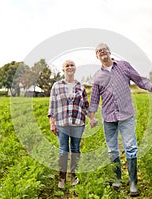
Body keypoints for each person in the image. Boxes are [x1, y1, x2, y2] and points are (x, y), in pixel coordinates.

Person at [88, 43, 152, 197]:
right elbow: (94, 98)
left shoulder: (123, 66)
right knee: (112, 149)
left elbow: (140, 80)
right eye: (98, 51)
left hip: (126, 115)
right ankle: (116, 179)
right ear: (97, 56)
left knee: (131, 147)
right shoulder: (97, 76)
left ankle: (133, 182)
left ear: (109, 52)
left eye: (104, 50)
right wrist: (92, 116)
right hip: (109, 117)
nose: (102, 53)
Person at [48, 60, 91, 189]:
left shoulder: (80, 86)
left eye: (72, 65)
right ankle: (61, 178)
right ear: (63, 70)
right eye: (67, 66)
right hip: (62, 122)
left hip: (78, 123)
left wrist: (92, 118)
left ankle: (73, 176)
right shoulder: (57, 85)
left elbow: (85, 105)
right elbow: (52, 105)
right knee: (63, 150)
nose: (70, 67)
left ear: (75, 68)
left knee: (76, 149)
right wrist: (52, 122)